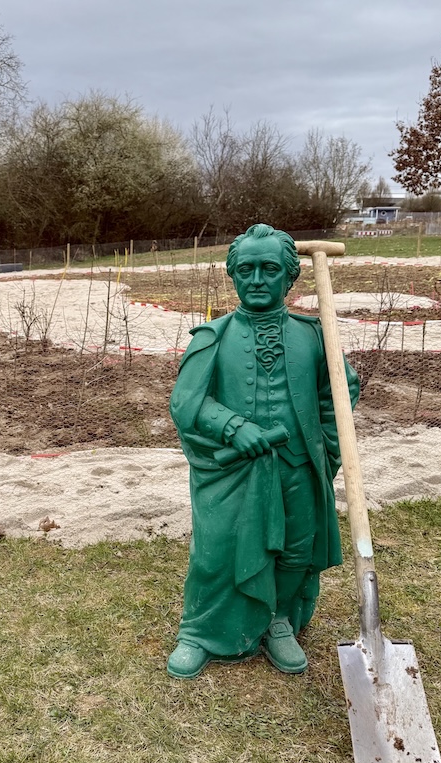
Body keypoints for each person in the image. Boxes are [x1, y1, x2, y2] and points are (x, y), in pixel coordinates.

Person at [167, 223, 359, 679]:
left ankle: (279, 621)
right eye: (247, 269)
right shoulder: (211, 337)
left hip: (298, 465)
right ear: (232, 275)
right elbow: (186, 402)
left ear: (289, 277)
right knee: (218, 550)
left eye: (269, 269)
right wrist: (233, 427)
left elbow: (339, 390)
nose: (257, 279)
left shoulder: (315, 336)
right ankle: (199, 632)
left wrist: (328, 445)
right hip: (234, 471)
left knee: (296, 547)